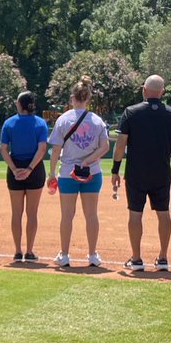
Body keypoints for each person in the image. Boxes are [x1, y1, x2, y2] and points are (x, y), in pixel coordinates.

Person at [111, 75, 171, 271]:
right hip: (161, 171)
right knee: (163, 213)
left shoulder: (131, 112)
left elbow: (120, 145)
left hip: (136, 172)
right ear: (162, 92)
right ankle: (163, 257)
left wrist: (115, 170)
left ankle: (136, 259)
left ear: (144, 90)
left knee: (135, 214)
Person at [47, 78, 110, 268]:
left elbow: (56, 150)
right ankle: (92, 255)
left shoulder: (63, 119)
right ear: (88, 98)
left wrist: (51, 173)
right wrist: (88, 160)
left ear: (72, 98)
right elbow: (105, 147)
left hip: (68, 173)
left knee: (67, 215)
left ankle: (64, 255)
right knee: (91, 215)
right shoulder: (97, 121)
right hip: (92, 172)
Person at [0, 91, 48, 262]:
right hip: (34, 170)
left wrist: (14, 169)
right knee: (32, 213)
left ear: (20, 104)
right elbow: (42, 149)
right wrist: (29, 169)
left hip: (15, 169)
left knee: (16, 213)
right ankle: (30, 251)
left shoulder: (9, 123)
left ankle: (18, 251)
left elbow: (3, 149)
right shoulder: (40, 123)